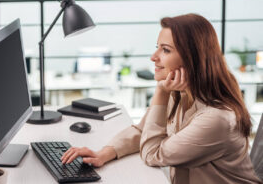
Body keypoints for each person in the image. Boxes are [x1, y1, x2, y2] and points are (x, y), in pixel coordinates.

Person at [61, 13, 262, 184]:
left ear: (193, 58)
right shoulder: (180, 91)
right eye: (157, 47)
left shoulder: (216, 118)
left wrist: (160, 92)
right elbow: (143, 131)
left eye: (165, 50)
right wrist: (104, 153)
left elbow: (152, 154)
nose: (153, 57)